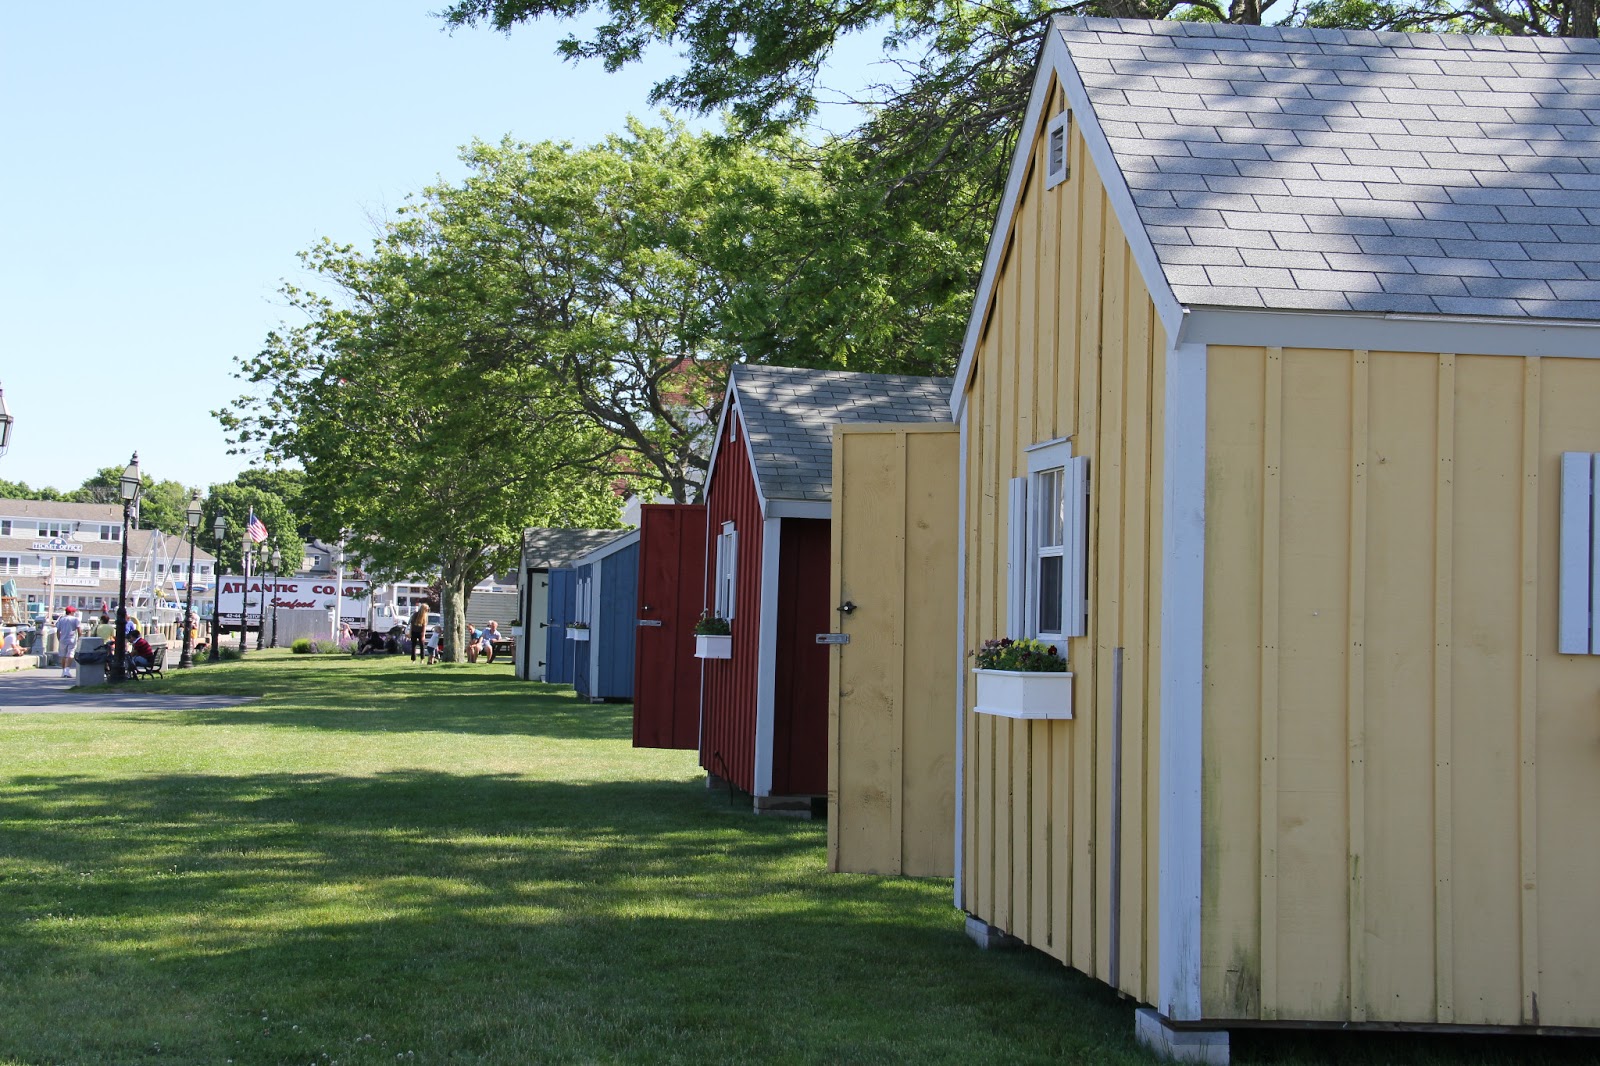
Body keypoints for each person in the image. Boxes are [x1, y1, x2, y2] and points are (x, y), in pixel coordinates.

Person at [55, 605, 82, 679]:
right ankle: (67, 671)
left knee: (63, 655)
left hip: (62, 639)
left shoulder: (61, 619)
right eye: (74, 611)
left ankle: (63, 671)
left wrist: (59, 639)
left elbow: (58, 631)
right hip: (72, 639)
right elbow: (79, 630)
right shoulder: (75, 619)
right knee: (70, 654)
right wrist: (80, 638)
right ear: (72, 612)